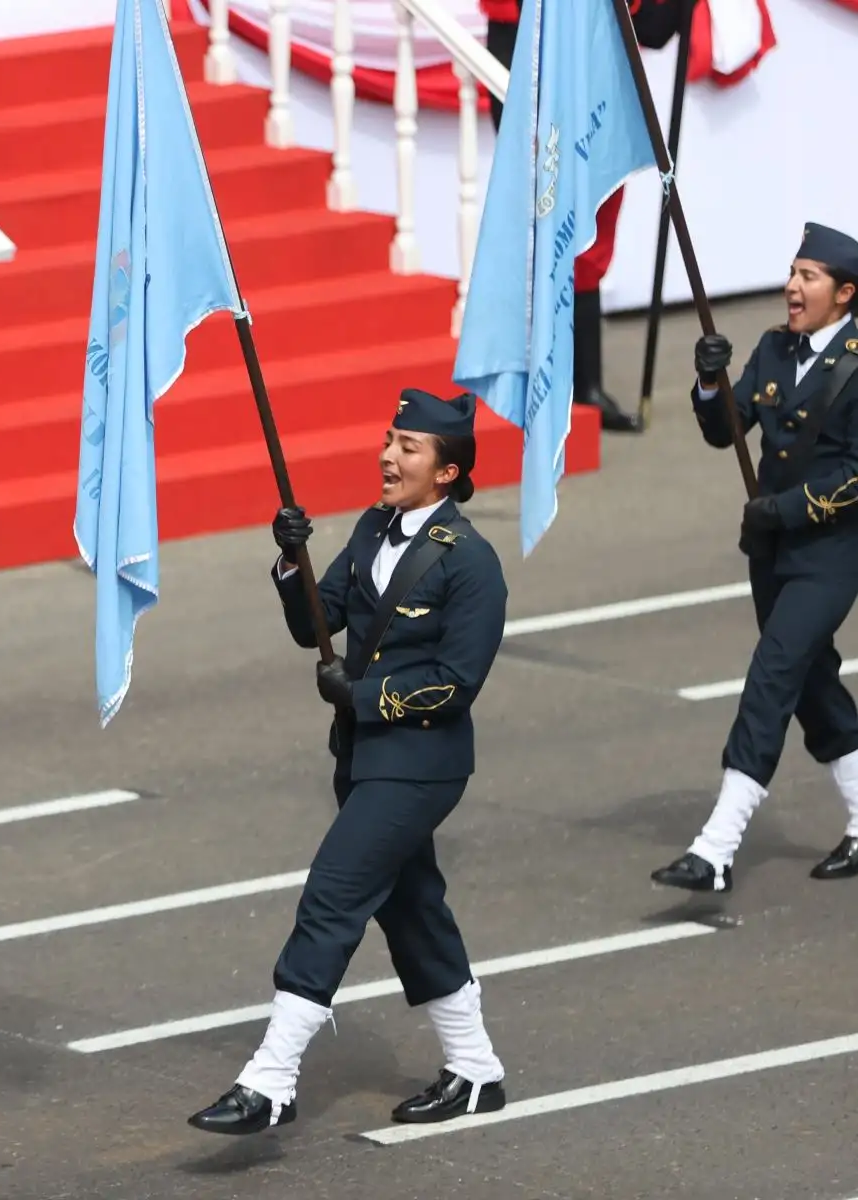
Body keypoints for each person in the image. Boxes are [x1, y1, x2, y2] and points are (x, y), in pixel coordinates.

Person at [187, 389, 511, 1136]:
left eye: (408, 447)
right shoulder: (373, 527)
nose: (388, 456)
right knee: (411, 907)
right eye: (389, 439)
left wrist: (363, 697)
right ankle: (475, 1069)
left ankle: (270, 1080)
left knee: (334, 895)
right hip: (361, 757)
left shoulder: (472, 565)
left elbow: (457, 684)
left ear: (448, 471)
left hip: (419, 763)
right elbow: (316, 623)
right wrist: (288, 557)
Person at [652, 222, 858, 892]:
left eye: (809, 277)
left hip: (830, 552)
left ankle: (716, 849)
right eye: (792, 272)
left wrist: (789, 509)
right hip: (769, 550)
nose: (793, 288)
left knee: (773, 674)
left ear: (845, 293)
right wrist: (710, 381)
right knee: (812, 685)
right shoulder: (774, 349)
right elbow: (726, 432)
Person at [480, 0, 642, 434]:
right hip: (545, 108)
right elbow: (506, 40)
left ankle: (586, 384)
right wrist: (521, 122)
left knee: (592, 244)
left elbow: (651, 28)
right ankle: (535, 384)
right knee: (544, 243)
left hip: (604, 100)